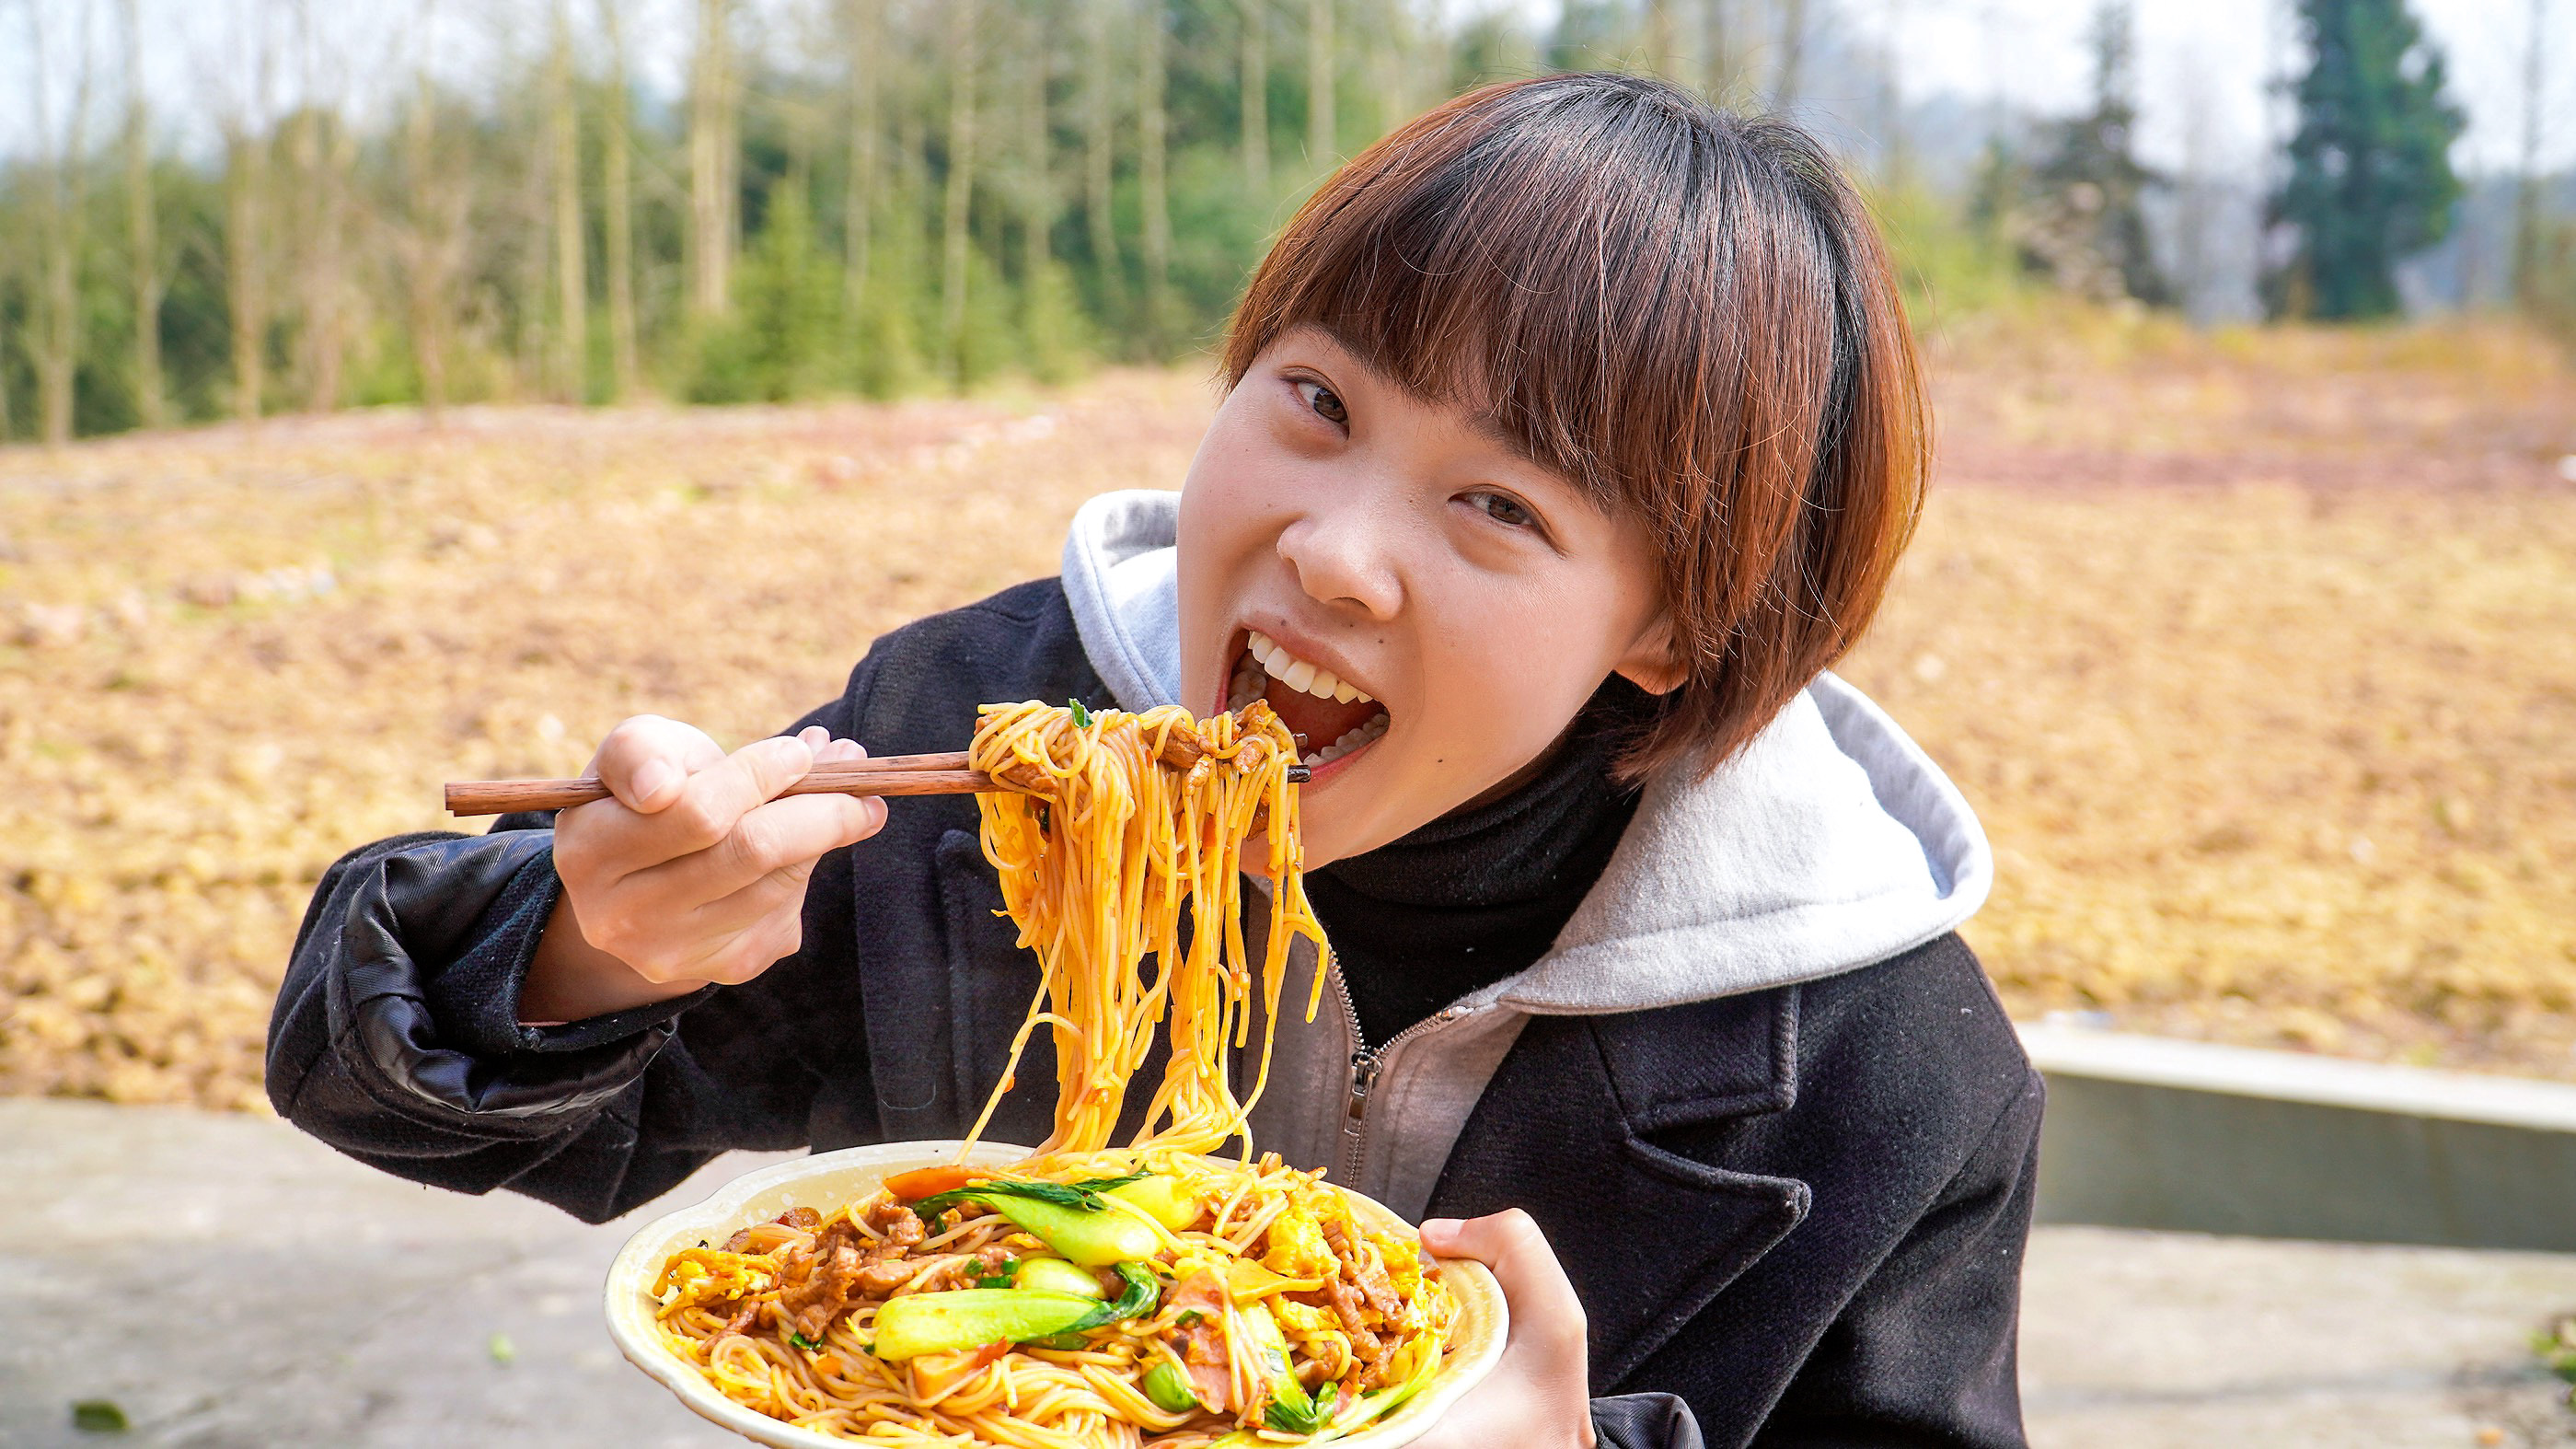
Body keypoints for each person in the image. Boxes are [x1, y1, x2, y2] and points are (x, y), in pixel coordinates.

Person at [270, 74, 2038, 1449]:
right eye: (1318, 399)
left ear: (1672, 628)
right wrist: (596, 948)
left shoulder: (1883, 1070)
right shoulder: (977, 725)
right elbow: (365, 1075)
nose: (1335, 550)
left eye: (1500, 503)